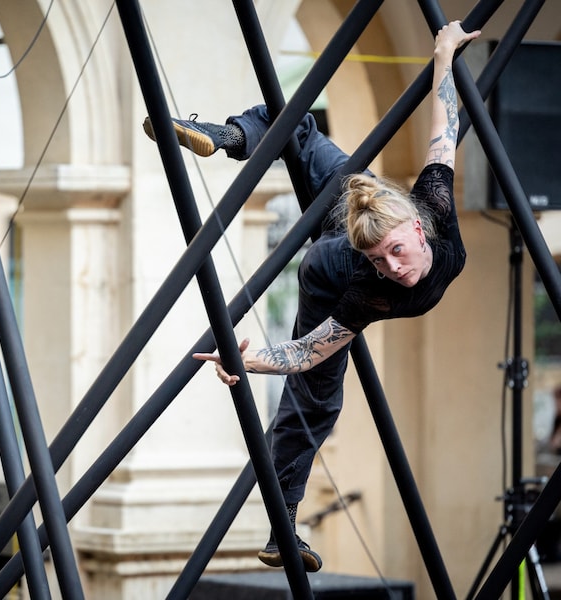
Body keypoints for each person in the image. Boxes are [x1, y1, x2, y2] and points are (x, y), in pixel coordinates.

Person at [144, 21, 480, 572]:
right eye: (382, 259)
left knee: (298, 125)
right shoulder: (367, 282)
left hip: (355, 213)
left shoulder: (434, 205)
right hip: (332, 268)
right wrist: (247, 361)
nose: (393, 269)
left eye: (396, 252)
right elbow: (310, 351)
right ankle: (228, 136)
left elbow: (445, 125)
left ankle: (234, 135)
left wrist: (444, 54)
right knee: (319, 402)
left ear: (419, 230)